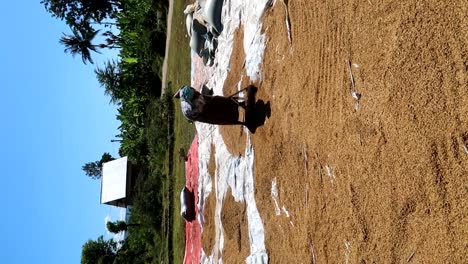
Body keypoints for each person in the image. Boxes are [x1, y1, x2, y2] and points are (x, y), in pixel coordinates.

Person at [174, 85, 257, 126]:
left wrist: (216, 100)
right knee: (220, 116)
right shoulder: (190, 109)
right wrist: (210, 103)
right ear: (191, 99)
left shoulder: (187, 91)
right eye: (194, 95)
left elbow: (185, 90)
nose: (196, 93)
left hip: (200, 103)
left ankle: (241, 104)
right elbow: (203, 109)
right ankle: (246, 122)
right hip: (201, 113)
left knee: (219, 100)